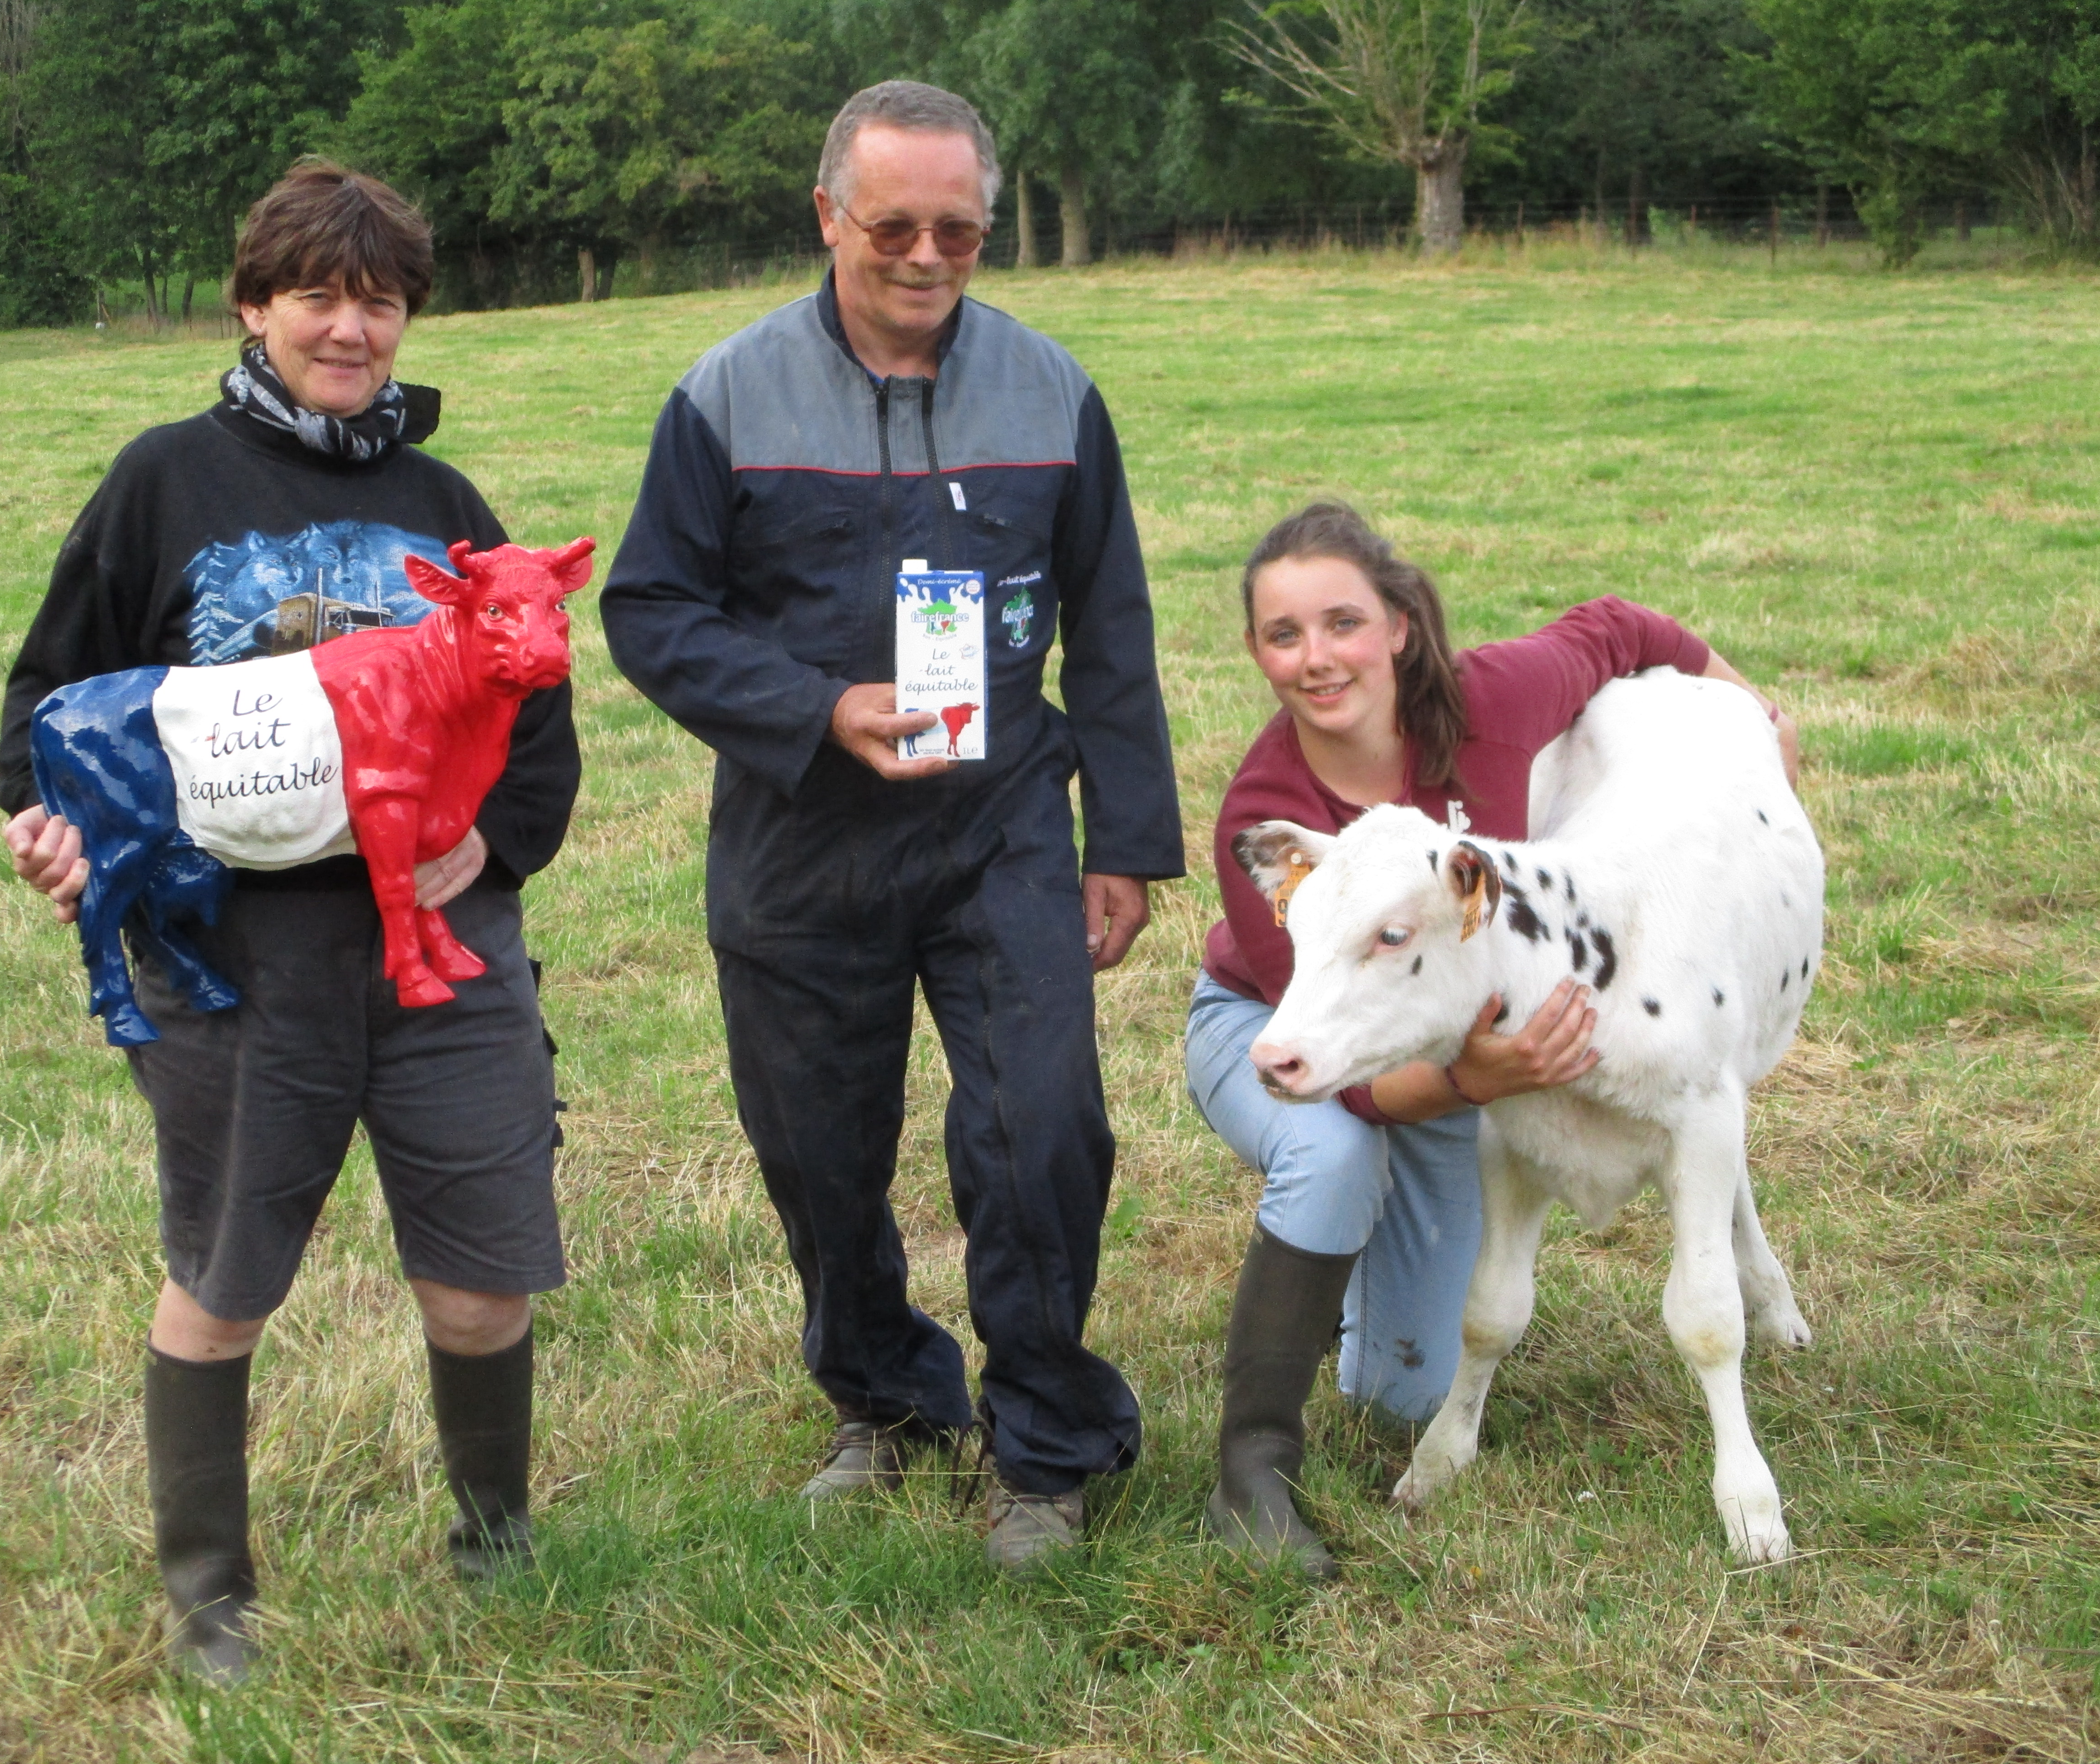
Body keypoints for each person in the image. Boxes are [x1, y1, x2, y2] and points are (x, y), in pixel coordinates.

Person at [0, 161, 579, 1682]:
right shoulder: (163, 482)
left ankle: (495, 1536)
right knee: (226, 1273)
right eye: (318, 293)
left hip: (442, 959)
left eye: (379, 297)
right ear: (256, 305)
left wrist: (496, 844)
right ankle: (211, 1597)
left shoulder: (445, 506)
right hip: (241, 968)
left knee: (478, 1274)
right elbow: (51, 698)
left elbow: (541, 721)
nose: (350, 325)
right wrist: (50, 823)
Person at [600, 81, 1184, 1573]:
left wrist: (1125, 837)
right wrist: (810, 708)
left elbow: (1109, 628)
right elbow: (651, 611)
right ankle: (884, 1396)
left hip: (998, 825)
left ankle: (1047, 1443)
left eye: (960, 230)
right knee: (816, 1151)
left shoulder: (1053, 393)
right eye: (894, 227)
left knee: (1041, 1128)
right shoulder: (726, 396)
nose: (927, 256)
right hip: (802, 836)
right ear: (827, 218)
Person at [1189, 500, 1798, 1581]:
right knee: (1334, 1151)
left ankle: (1382, 1273)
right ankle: (1254, 1464)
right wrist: (1477, 1077)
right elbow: (1346, 1069)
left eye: (1342, 624)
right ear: (1254, 654)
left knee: (1398, 1392)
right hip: (1311, 1040)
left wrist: (1752, 716)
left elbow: (1618, 628)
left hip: (1476, 1040)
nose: (1316, 658)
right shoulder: (1271, 810)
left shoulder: (1490, 706)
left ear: (1397, 630)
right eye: (1284, 636)